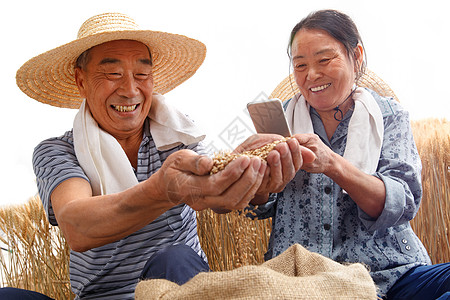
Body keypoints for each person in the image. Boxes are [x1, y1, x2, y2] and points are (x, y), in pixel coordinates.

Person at [2, 12, 310, 299]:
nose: (130, 90)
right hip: (99, 296)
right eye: (112, 74)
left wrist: (253, 176)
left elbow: (216, 191)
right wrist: (164, 189)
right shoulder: (58, 151)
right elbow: (76, 225)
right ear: (81, 80)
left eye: (141, 74)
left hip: (174, 287)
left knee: (175, 258)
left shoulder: (179, 137)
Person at [240, 9, 450, 300]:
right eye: (300, 65)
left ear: (357, 56)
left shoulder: (389, 115)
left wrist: (332, 163)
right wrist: (260, 183)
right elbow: (260, 205)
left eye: (325, 60)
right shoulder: (280, 121)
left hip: (392, 274)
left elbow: (401, 202)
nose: (312, 75)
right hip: (306, 282)